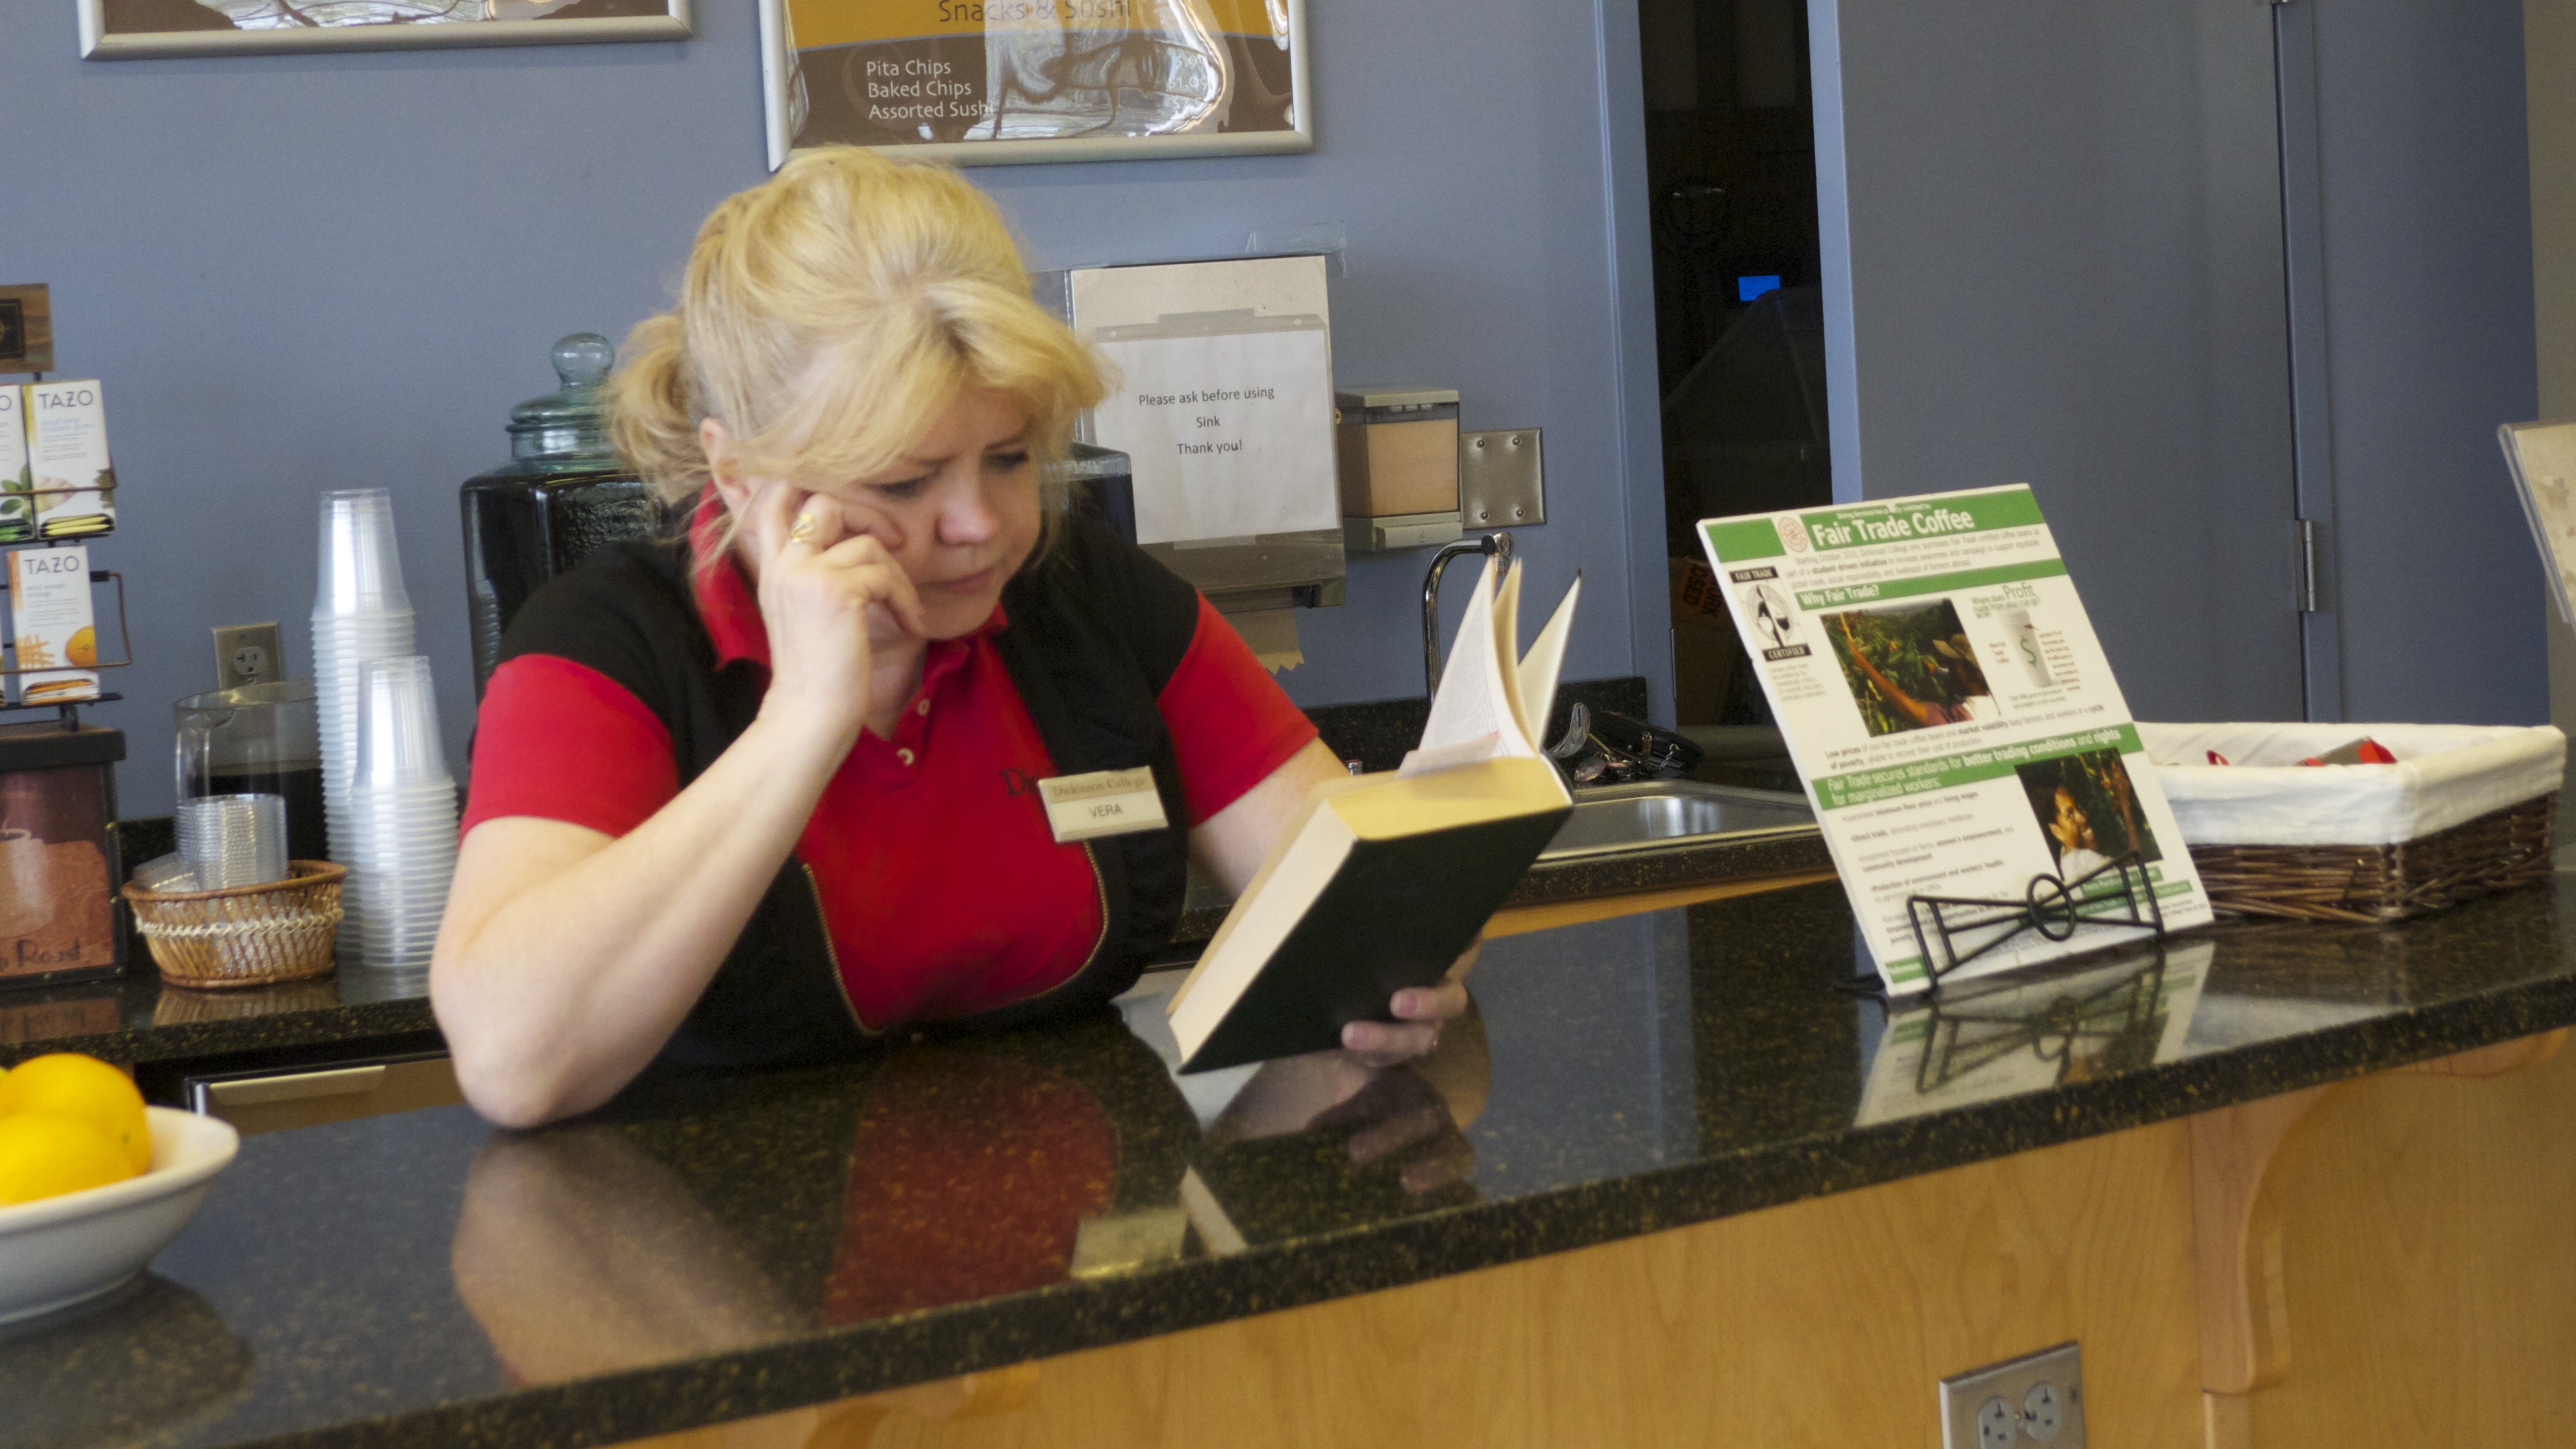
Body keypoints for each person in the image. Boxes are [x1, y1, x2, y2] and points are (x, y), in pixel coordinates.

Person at [431, 148, 1468, 1128]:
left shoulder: (1089, 599)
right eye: (903, 481)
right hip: (717, 1265)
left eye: (1009, 459)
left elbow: (1339, 882)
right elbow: (516, 1062)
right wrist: (803, 722)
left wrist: (1403, 952)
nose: (979, 525)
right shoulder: (604, 646)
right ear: (742, 475)